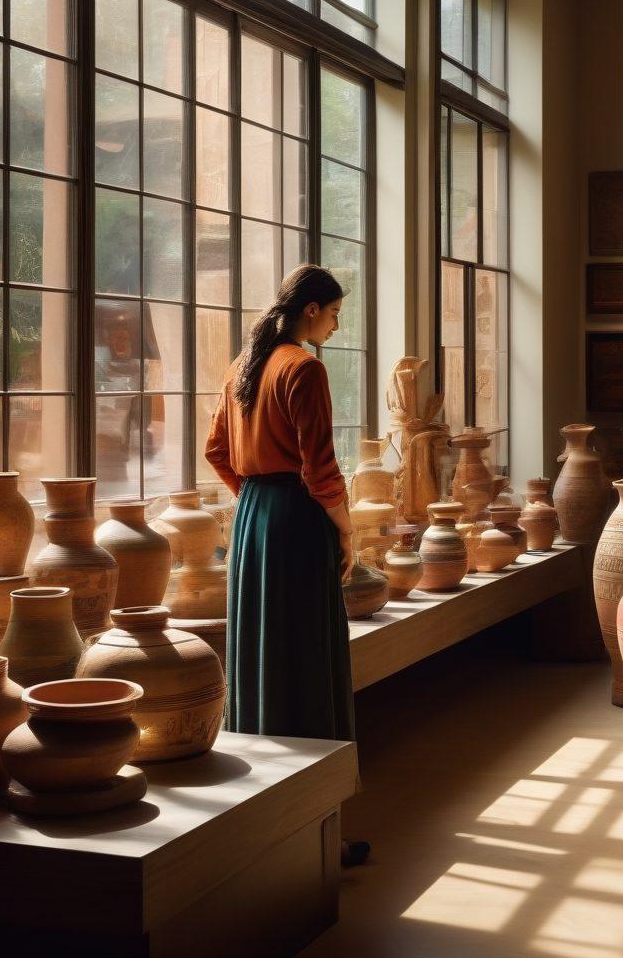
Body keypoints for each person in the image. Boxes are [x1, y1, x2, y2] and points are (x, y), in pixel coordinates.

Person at [205, 264, 368, 866]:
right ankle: (318, 827)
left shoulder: (240, 368)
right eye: (334, 313)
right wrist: (347, 533)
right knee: (307, 660)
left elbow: (216, 451)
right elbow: (320, 467)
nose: (335, 323)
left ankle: (263, 826)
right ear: (310, 311)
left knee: (260, 656)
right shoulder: (303, 368)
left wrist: (251, 497)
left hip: (254, 521)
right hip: (297, 523)